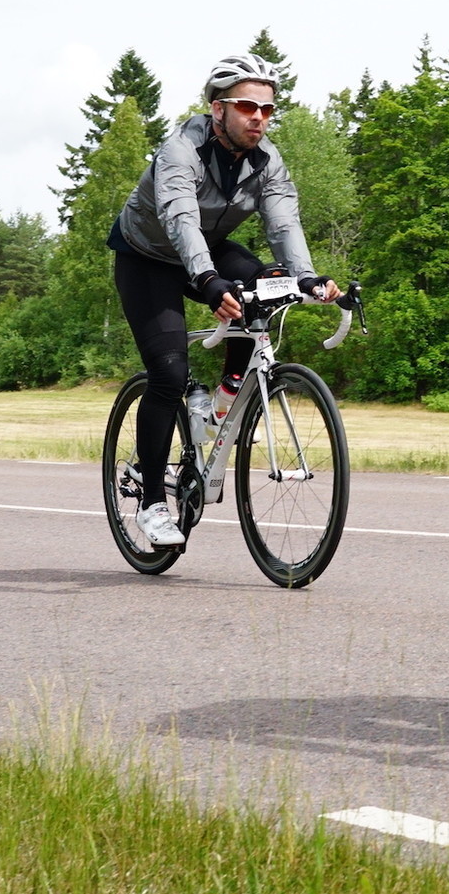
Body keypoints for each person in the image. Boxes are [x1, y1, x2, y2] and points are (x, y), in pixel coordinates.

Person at [108, 53, 342, 548]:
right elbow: (180, 220)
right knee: (169, 373)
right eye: (247, 107)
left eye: (267, 109)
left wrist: (307, 279)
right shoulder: (180, 151)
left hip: (208, 248)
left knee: (268, 283)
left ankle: (226, 395)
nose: (259, 117)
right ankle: (152, 503)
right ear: (218, 109)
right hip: (148, 256)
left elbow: (283, 223)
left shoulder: (267, 160)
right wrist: (209, 281)